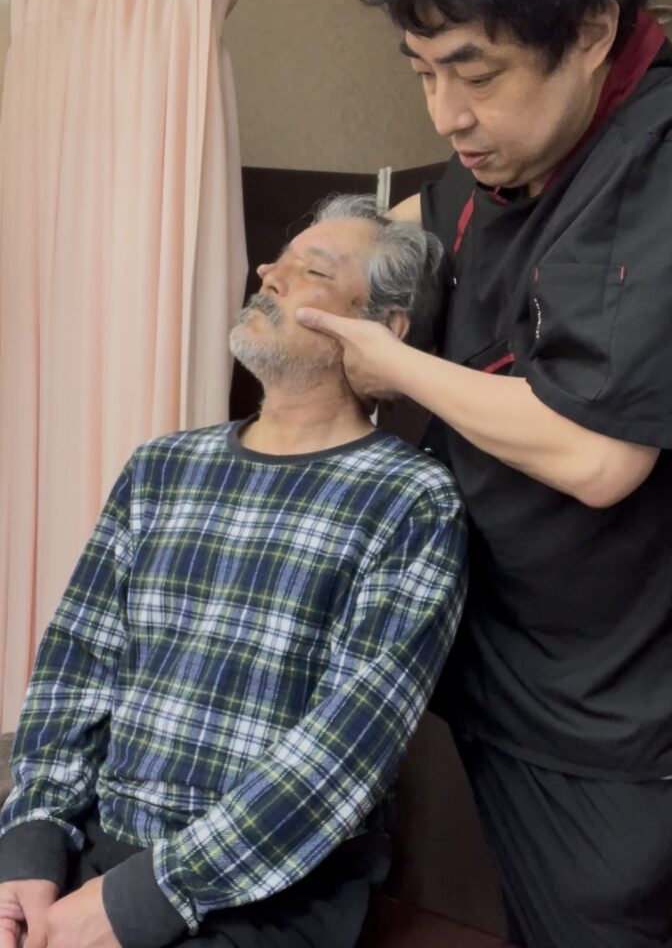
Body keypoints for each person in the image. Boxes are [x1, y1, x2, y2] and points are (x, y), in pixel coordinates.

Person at [295, 0, 672, 948]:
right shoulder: (504, 162)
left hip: (613, 718)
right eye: (422, 72)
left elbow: (598, 455)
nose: (446, 114)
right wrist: (326, 262)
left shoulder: (652, 161)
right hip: (501, 673)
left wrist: (389, 361)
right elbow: (408, 227)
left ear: (590, 31)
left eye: (476, 73)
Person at [0, 195, 466, 948]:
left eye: (312, 270)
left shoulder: (410, 500)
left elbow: (344, 752)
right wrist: (32, 846)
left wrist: (142, 899)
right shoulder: (161, 466)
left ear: (384, 329)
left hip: (271, 891)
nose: (268, 274)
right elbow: (76, 665)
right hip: (101, 845)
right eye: (279, 259)